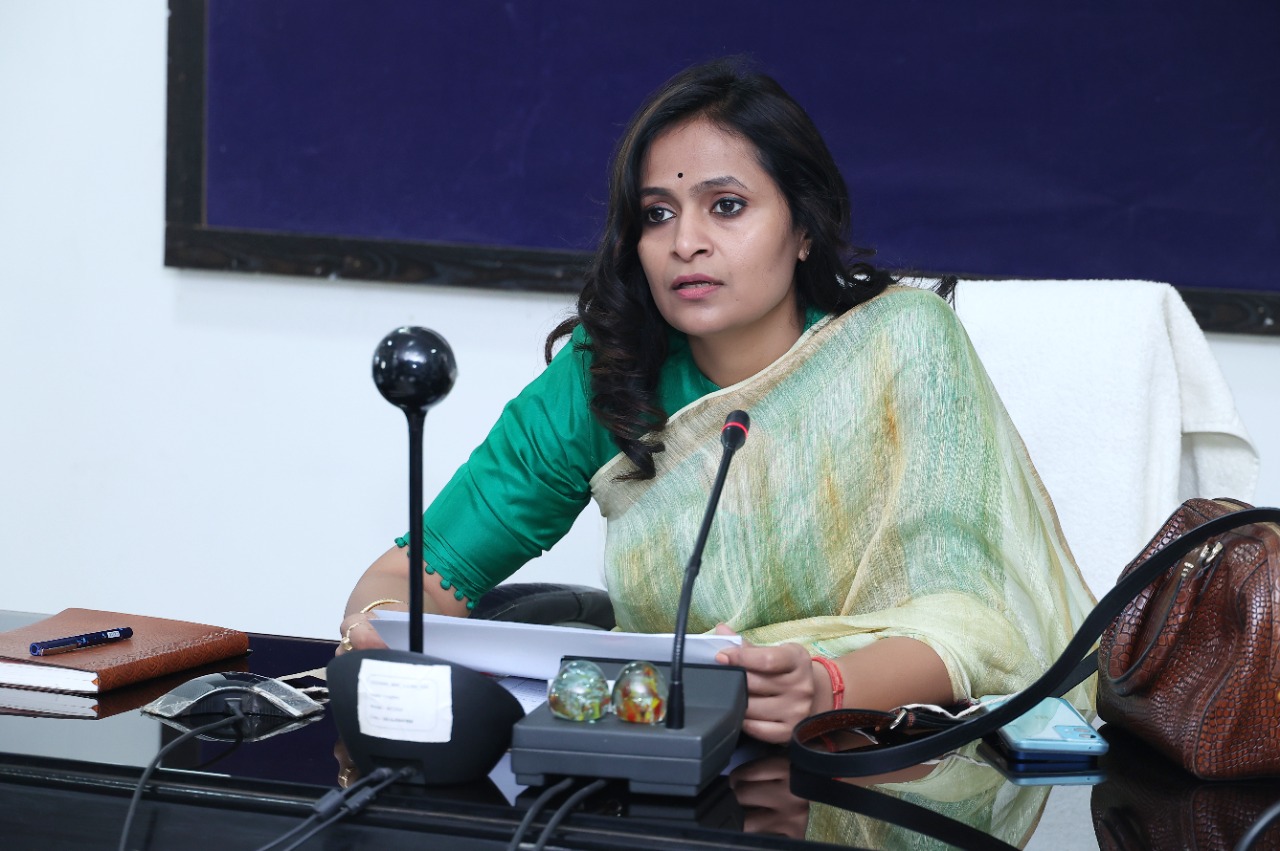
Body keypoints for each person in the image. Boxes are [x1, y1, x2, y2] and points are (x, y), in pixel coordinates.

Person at [340, 57, 1095, 745]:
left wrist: (828, 686)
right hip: (674, 753)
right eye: (657, 214)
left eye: (726, 206)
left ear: (804, 227)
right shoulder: (607, 374)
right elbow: (417, 576)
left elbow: (982, 618)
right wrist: (374, 627)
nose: (685, 242)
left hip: (883, 753)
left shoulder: (903, 344)